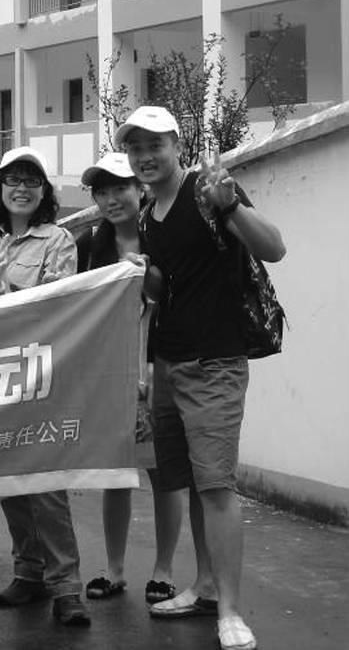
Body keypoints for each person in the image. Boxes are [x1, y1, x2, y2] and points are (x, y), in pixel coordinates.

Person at [117, 106, 285, 650]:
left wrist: (230, 203)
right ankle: (206, 585)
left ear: (176, 144)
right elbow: (165, 289)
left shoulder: (208, 190)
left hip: (215, 362)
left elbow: (274, 248)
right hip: (169, 363)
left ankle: (231, 611)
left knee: (216, 485)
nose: (145, 157)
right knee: (190, 479)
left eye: (155, 145)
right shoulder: (148, 215)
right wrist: (144, 276)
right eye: (136, 148)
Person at [0, 146, 90, 626]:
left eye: (31, 181)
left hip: (40, 375)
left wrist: (3, 290)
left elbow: (59, 305)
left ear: (44, 191)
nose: (21, 188)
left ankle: (67, 587)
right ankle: (29, 572)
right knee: (9, 479)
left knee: (45, 483)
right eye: (13, 180)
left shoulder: (58, 240)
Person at [76, 152, 183, 605]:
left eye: (119, 187)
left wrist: (149, 276)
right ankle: (114, 569)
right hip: (109, 374)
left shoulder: (162, 234)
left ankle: (163, 571)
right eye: (101, 191)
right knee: (115, 474)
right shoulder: (88, 245)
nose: (111, 198)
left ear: (140, 188)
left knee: (163, 473)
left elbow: (177, 296)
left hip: (160, 370)